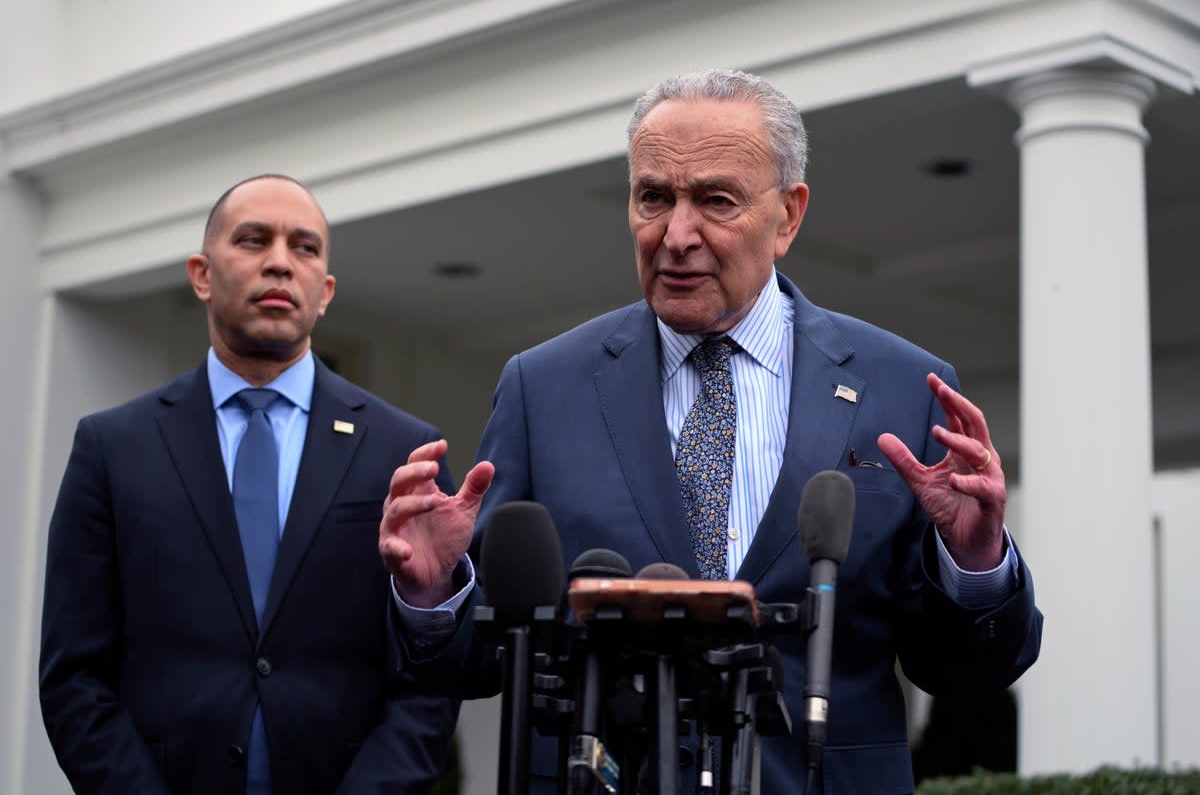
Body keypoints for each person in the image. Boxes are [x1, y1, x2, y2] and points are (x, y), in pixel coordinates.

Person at [380, 70, 1042, 794]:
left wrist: (974, 562)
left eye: (716, 201)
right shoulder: (543, 387)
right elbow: (476, 660)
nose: (677, 235)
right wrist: (434, 592)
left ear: (788, 217)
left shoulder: (900, 387)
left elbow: (964, 672)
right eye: (653, 197)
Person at [39, 174, 461, 795]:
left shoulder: (403, 453)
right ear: (202, 274)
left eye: (305, 248)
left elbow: (426, 684)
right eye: (254, 240)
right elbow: (74, 675)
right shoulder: (112, 448)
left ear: (326, 292)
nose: (280, 264)